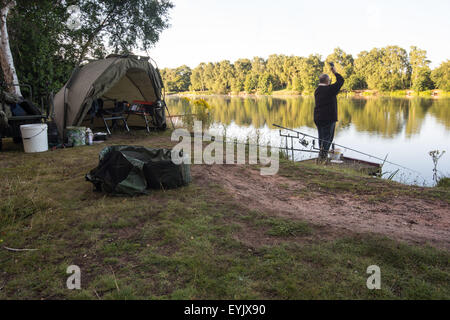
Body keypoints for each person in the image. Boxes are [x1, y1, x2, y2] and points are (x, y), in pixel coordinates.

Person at [314, 66, 344, 162]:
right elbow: (341, 81)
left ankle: (321, 155)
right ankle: (323, 157)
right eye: (330, 81)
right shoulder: (330, 89)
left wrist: (336, 92)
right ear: (328, 81)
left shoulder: (317, 90)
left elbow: (327, 95)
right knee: (328, 138)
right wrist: (335, 72)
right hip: (328, 118)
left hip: (318, 118)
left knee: (321, 137)